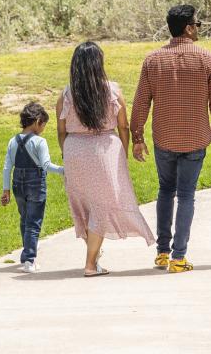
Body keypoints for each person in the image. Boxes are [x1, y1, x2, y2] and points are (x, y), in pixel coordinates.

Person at [130, 4, 211, 273]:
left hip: (164, 137)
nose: (199, 28)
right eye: (198, 23)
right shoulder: (207, 59)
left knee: (165, 190)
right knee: (186, 195)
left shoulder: (153, 61)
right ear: (188, 27)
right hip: (196, 139)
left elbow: (141, 102)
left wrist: (136, 136)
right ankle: (179, 257)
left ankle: (163, 252)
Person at [57, 41, 155, 277]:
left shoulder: (66, 94)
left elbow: (61, 130)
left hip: (75, 150)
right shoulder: (112, 90)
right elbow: (123, 126)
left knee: (86, 207)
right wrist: (123, 150)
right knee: (101, 207)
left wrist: (67, 152)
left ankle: (94, 257)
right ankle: (90, 264)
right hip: (105, 150)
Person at [0, 102, 65, 274]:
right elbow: (45, 165)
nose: (43, 128)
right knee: (34, 222)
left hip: (17, 184)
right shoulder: (39, 142)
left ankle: (26, 254)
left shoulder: (12, 141)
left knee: (25, 219)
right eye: (44, 124)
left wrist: (6, 190)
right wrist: (64, 171)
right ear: (37, 121)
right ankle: (29, 259)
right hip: (35, 183)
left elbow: (7, 167)